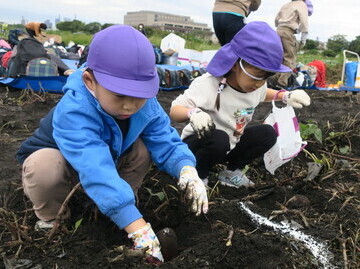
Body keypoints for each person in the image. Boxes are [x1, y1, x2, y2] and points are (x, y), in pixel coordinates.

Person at [16, 25, 208, 263]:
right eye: (119, 96)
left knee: (142, 148)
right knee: (44, 167)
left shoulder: (145, 104)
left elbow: (165, 140)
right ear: (89, 81)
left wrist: (187, 170)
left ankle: (117, 209)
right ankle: (52, 219)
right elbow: (95, 169)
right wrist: (140, 230)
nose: (129, 106)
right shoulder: (74, 110)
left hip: (107, 157)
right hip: (65, 162)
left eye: (139, 95)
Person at [169, 21, 311, 188]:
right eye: (257, 75)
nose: (260, 83)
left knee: (267, 133)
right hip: (197, 146)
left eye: (266, 77)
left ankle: (231, 171)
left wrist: (285, 96)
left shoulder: (257, 86)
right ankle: (198, 177)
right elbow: (174, 110)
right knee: (218, 138)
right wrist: (193, 114)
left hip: (229, 145)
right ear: (236, 64)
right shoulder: (208, 84)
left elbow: (263, 93)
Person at [271, 0, 313, 88]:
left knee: (280, 58)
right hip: (288, 32)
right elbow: (304, 21)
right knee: (290, 59)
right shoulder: (301, 4)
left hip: (278, 30)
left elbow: (276, 19)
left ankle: (273, 80)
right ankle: (281, 83)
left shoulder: (286, 5)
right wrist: (303, 37)